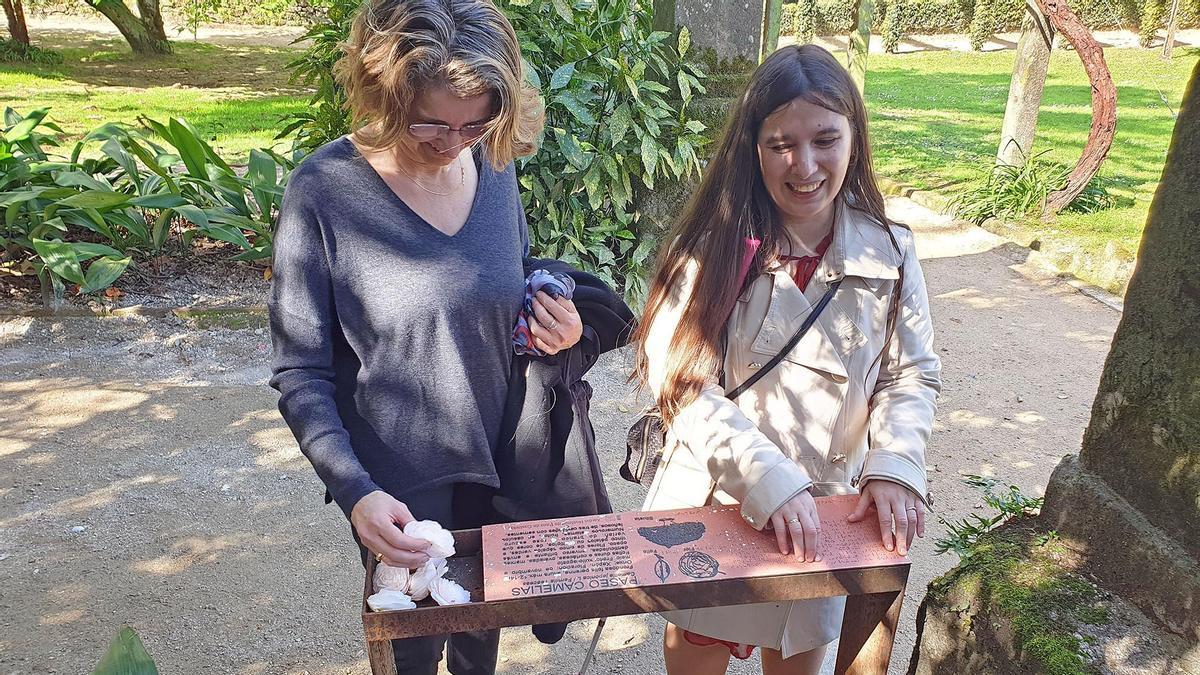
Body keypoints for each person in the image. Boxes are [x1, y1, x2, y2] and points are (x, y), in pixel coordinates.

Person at [267, 1, 580, 672]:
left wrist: (554, 307)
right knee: (408, 658)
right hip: (397, 492)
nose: (452, 142)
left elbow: (510, 275)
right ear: (385, 89)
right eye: (431, 121)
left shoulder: (494, 165)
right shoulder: (325, 192)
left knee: (479, 650)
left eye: (476, 122)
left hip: (499, 470)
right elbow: (301, 373)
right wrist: (356, 491)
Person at [631, 44, 942, 675]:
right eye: (781, 144)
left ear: (855, 136)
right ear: (754, 146)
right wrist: (770, 484)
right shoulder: (711, 249)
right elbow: (686, 388)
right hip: (719, 502)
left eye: (825, 139)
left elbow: (908, 373)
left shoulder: (891, 251)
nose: (805, 165)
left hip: (825, 509)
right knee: (698, 649)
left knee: (800, 652)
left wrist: (894, 465)